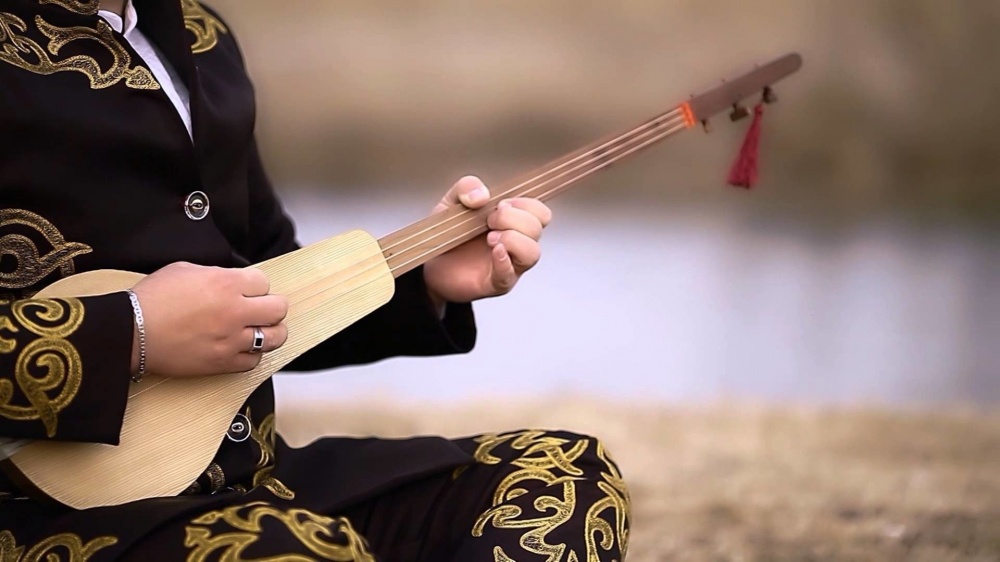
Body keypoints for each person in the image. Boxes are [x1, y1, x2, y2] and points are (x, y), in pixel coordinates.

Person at [0, 0, 631, 559]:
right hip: (39, 518)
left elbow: (266, 283)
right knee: (292, 548)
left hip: (253, 484)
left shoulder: (198, 33)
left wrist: (423, 279)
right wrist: (134, 333)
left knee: (564, 483)